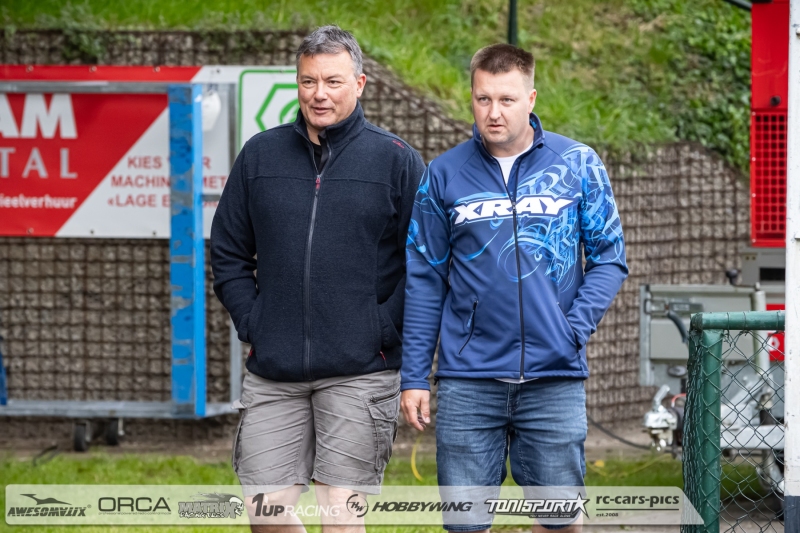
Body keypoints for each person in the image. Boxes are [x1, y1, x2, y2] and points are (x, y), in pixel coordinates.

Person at [400, 43, 628, 532]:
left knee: (561, 521)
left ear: (531, 98)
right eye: (483, 99)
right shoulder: (443, 174)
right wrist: (414, 376)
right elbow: (424, 278)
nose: (494, 112)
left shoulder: (578, 164)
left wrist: (571, 330)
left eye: (506, 99)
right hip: (468, 381)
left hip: (553, 379)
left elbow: (609, 258)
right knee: (464, 524)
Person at [211, 25, 426, 532]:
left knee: (340, 516)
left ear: (360, 83)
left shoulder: (396, 160)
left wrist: (382, 329)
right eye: (309, 82)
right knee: (264, 512)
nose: (319, 94)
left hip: (361, 370)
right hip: (275, 370)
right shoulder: (259, 156)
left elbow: (424, 263)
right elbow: (228, 251)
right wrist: (255, 322)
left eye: (333, 81)